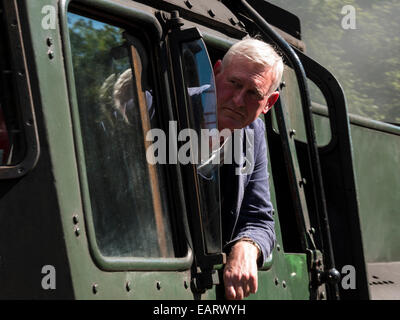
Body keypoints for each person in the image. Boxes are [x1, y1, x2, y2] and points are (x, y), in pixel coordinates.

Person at [214, 38, 283, 300]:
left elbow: (260, 219)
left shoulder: (253, 132)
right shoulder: (160, 106)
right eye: (234, 83)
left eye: (253, 93)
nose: (238, 100)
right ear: (217, 72)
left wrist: (247, 246)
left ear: (269, 103)